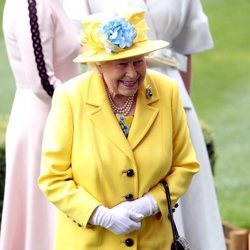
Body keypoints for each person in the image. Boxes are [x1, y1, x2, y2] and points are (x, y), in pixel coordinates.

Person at [62, 1, 227, 249]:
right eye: (123, 63)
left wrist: (150, 203)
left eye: (138, 61)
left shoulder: (168, 92)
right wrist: (102, 215)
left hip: (167, 96)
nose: (131, 71)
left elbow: (187, 48)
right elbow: (55, 178)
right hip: (102, 94)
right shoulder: (71, 97)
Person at [0, 0, 81, 249]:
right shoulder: (31, 5)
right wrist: (86, 106)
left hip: (58, 115)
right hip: (45, 123)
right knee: (45, 216)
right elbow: (42, 83)